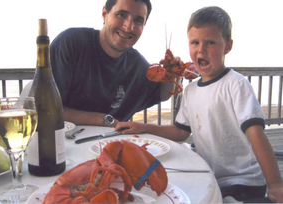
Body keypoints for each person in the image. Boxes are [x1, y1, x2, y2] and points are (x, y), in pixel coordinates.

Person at [115, 6, 283, 203]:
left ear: (227, 46)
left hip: (243, 181)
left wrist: (275, 183)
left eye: (210, 42)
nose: (201, 49)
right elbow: (180, 132)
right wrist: (142, 127)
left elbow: (256, 134)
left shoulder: (236, 84)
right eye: (194, 42)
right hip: (211, 175)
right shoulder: (191, 90)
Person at [49, 0, 195, 127]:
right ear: (105, 14)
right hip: (62, 143)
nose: (128, 26)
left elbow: (161, 94)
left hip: (108, 144)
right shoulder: (71, 43)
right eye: (122, 15)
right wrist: (105, 120)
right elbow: (46, 109)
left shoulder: (137, 65)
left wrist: (172, 74)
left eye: (138, 20)